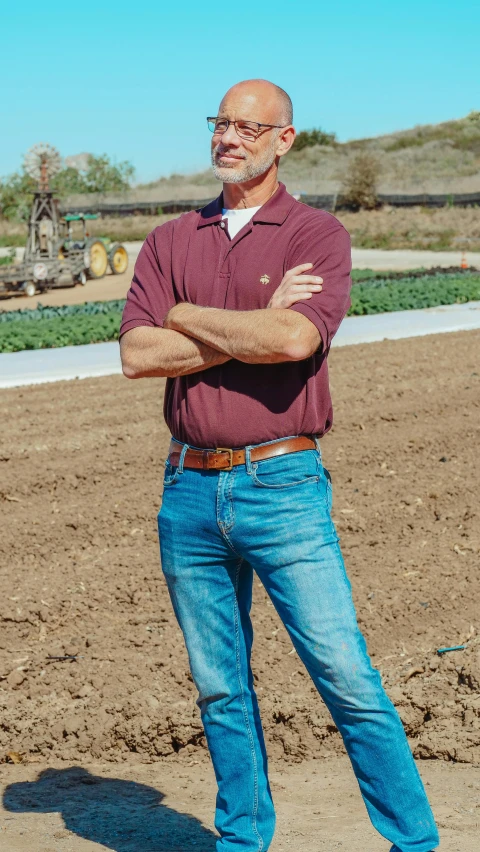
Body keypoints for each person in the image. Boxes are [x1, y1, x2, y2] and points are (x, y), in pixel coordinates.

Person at [119, 79, 439, 852]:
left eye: (246, 126)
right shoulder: (171, 239)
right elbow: (136, 355)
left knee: (347, 678)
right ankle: (242, 841)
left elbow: (296, 342)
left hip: (282, 486)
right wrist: (254, 326)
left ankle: (416, 843)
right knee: (221, 687)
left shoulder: (316, 235)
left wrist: (187, 317)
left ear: (283, 139)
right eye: (219, 124)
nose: (228, 138)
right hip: (188, 490)